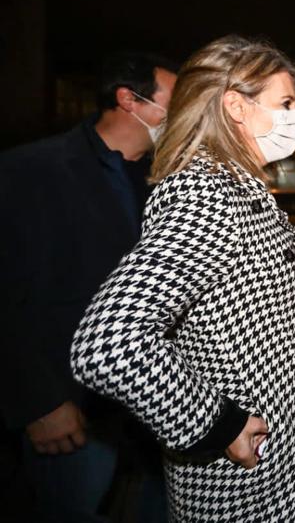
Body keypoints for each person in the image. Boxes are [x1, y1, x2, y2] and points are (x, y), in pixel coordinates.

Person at [68, 36, 295, 522]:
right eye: (285, 103)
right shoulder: (207, 192)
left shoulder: (236, 184)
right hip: (249, 482)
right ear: (235, 107)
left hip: (287, 458)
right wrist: (217, 425)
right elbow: (109, 342)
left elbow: (267, 278)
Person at [0, 50, 178, 522]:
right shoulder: (31, 171)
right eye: (175, 101)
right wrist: (38, 400)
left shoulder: (164, 182)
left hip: (151, 410)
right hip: (70, 412)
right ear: (130, 100)